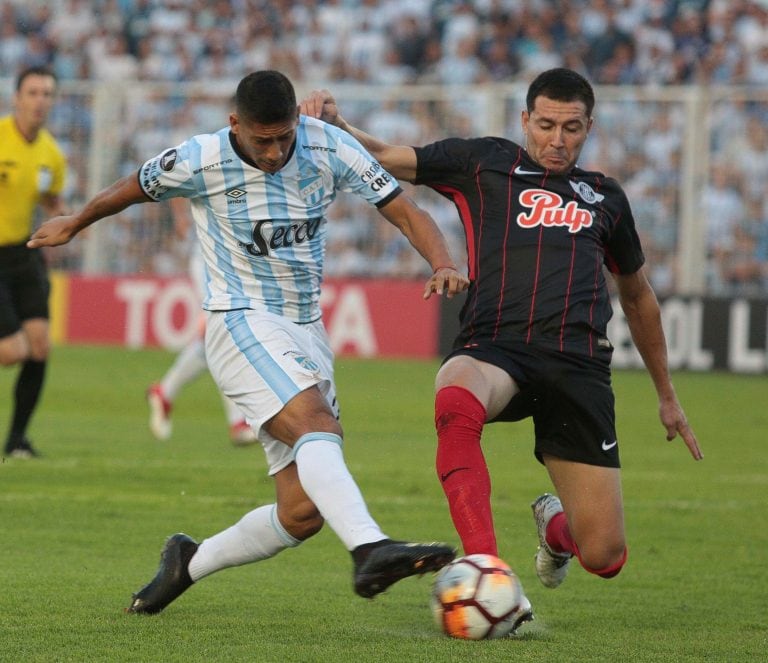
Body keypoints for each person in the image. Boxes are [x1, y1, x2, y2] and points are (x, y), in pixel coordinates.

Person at [28, 70, 470, 612]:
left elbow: (404, 209)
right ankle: (370, 549)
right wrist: (76, 220)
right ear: (235, 124)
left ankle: (186, 563)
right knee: (315, 424)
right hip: (240, 321)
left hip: (307, 328)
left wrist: (443, 260)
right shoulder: (201, 157)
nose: (276, 149)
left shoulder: (327, 144)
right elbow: (133, 188)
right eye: (263, 139)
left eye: (285, 135)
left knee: (302, 512)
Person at [301, 67, 702, 612]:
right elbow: (389, 157)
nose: (556, 140)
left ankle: (554, 526)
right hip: (496, 348)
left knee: (604, 556)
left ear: (589, 127)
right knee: (454, 392)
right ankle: (487, 568)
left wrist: (667, 396)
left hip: (578, 366)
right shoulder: (484, 161)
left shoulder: (606, 197)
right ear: (524, 120)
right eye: (545, 125)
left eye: (571, 128)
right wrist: (337, 122)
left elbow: (638, 296)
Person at [146, 197, 257, 446]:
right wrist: (180, 216)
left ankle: (164, 393)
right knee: (224, 333)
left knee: (216, 338)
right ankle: (238, 422)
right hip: (212, 258)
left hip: (235, 259)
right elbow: (179, 166)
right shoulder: (221, 159)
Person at [0, 66, 67, 459]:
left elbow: (53, 202)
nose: (41, 100)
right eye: (34, 92)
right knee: (11, 352)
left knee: (40, 347)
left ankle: (15, 442)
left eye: (47, 93)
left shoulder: (52, 155)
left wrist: (71, 221)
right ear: (16, 98)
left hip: (23, 256)